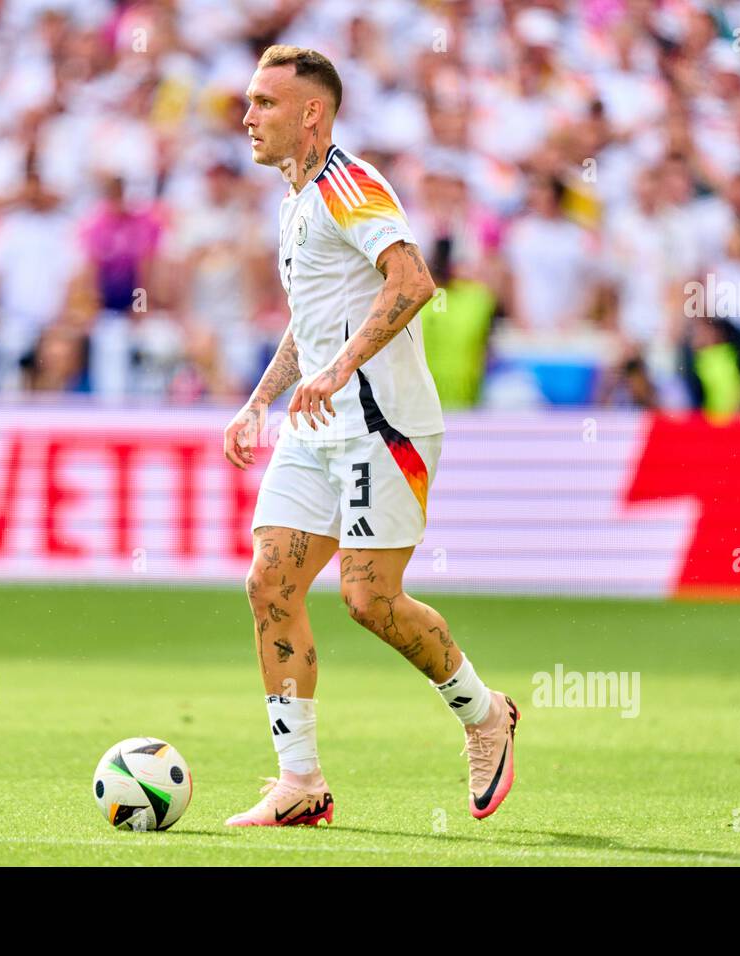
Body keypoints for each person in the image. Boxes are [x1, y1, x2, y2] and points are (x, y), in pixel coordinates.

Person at [221, 46, 520, 828]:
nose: (247, 118)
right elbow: (313, 319)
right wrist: (259, 400)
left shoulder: (350, 185)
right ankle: (300, 782)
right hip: (316, 427)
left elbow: (414, 281)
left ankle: (484, 713)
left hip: (383, 429)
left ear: (310, 113)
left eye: (263, 103)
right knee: (269, 583)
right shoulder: (292, 199)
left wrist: (340, 368)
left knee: (368, 599)